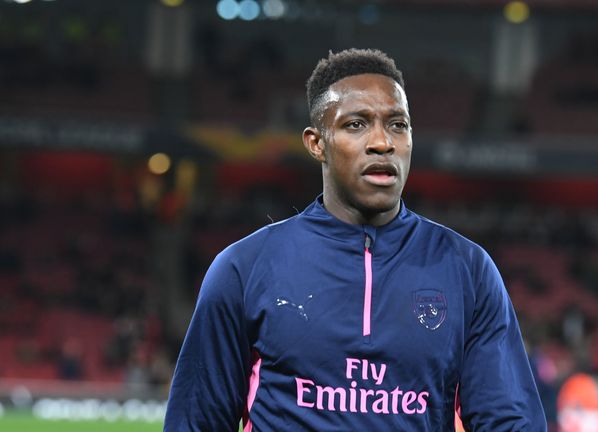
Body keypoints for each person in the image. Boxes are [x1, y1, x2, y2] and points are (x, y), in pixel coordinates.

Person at [164, 48, 546, 431]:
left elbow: (511, 422)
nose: (383, 142)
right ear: (317, 143)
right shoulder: (243, 269)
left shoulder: (468, 270)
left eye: (398, 124)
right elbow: (195, 421)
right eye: (356, 124)